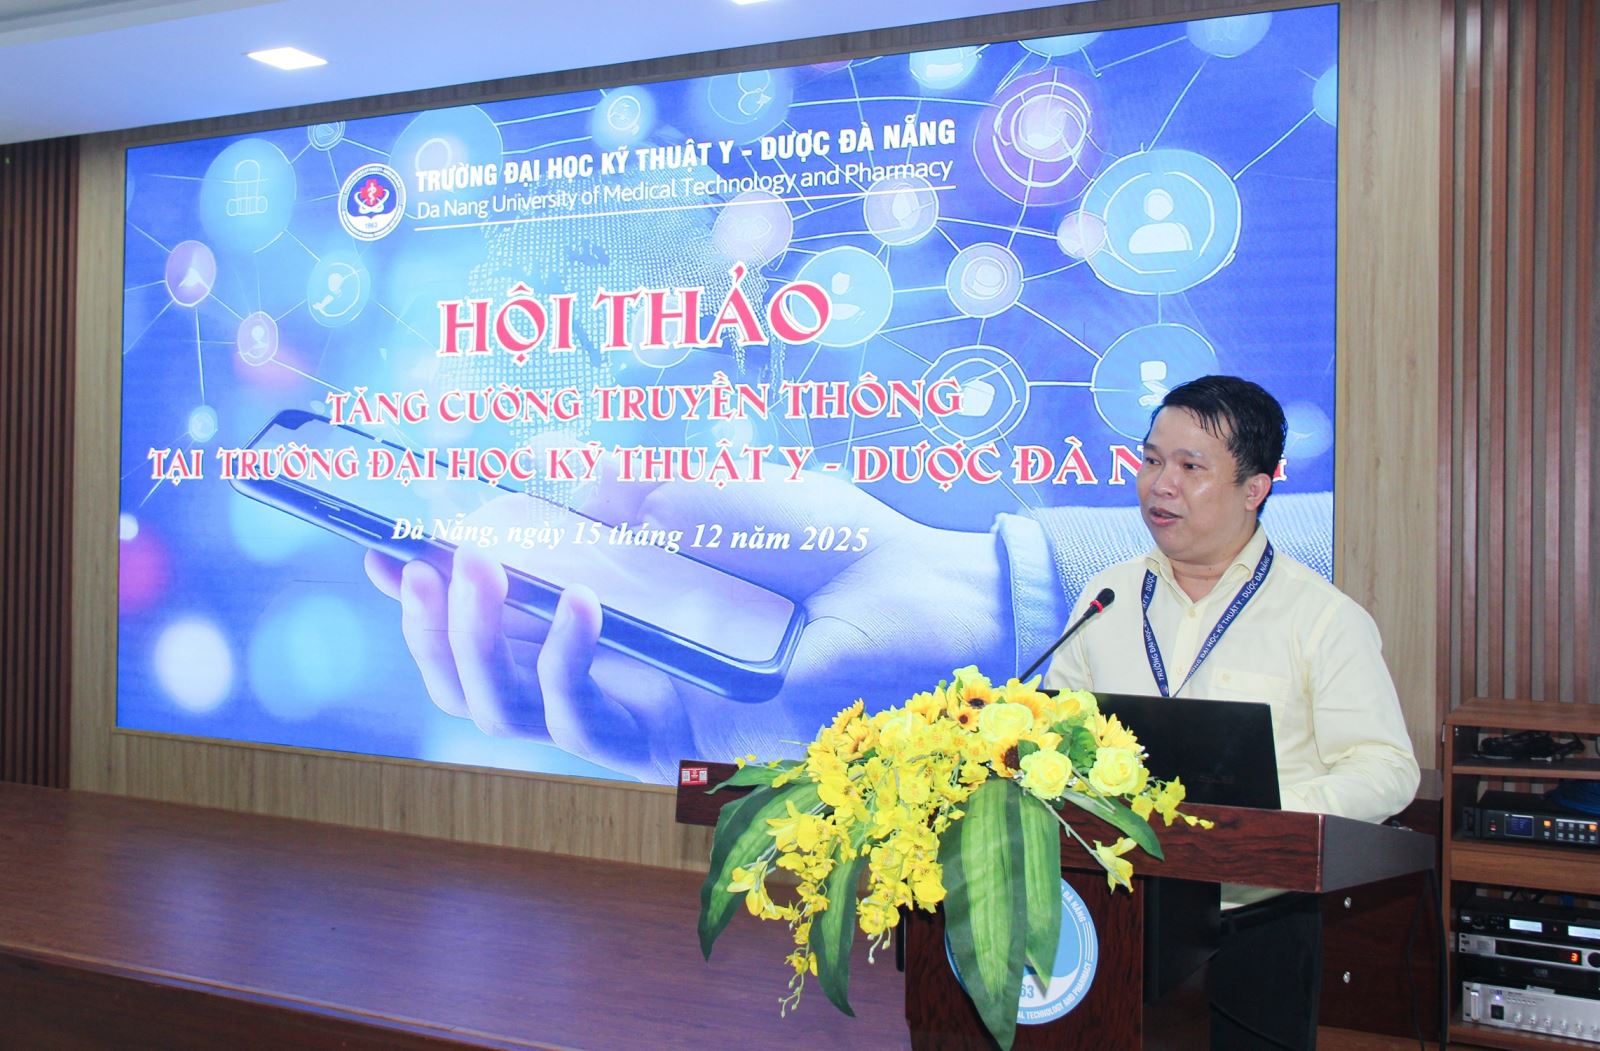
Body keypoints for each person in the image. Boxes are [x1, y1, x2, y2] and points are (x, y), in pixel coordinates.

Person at [1042, 374, 1421, 1051]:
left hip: (1256, 922)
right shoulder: (1105, 597)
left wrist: (1258, 823)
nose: (1161, 485)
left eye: (1191, 467)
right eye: (1152, 459)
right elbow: (1054, 737)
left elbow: (1387, 767)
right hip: (1114, 911)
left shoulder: (1322, 618)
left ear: (1254, 488)